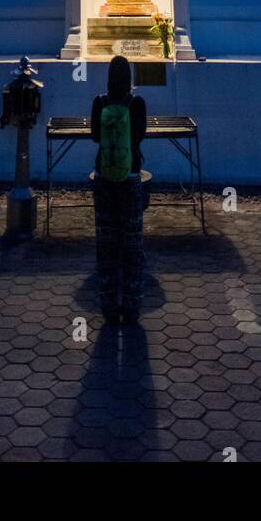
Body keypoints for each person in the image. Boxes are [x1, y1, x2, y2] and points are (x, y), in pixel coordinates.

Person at [90, 55, 148, 325]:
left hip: (104, 177)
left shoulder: (99, 102)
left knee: (106, 245)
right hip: (131, 175)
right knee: (132, 245)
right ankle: (132, 304)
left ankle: (109, 306)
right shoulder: (137, 103)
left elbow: (95, 136)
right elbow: (139, 136)